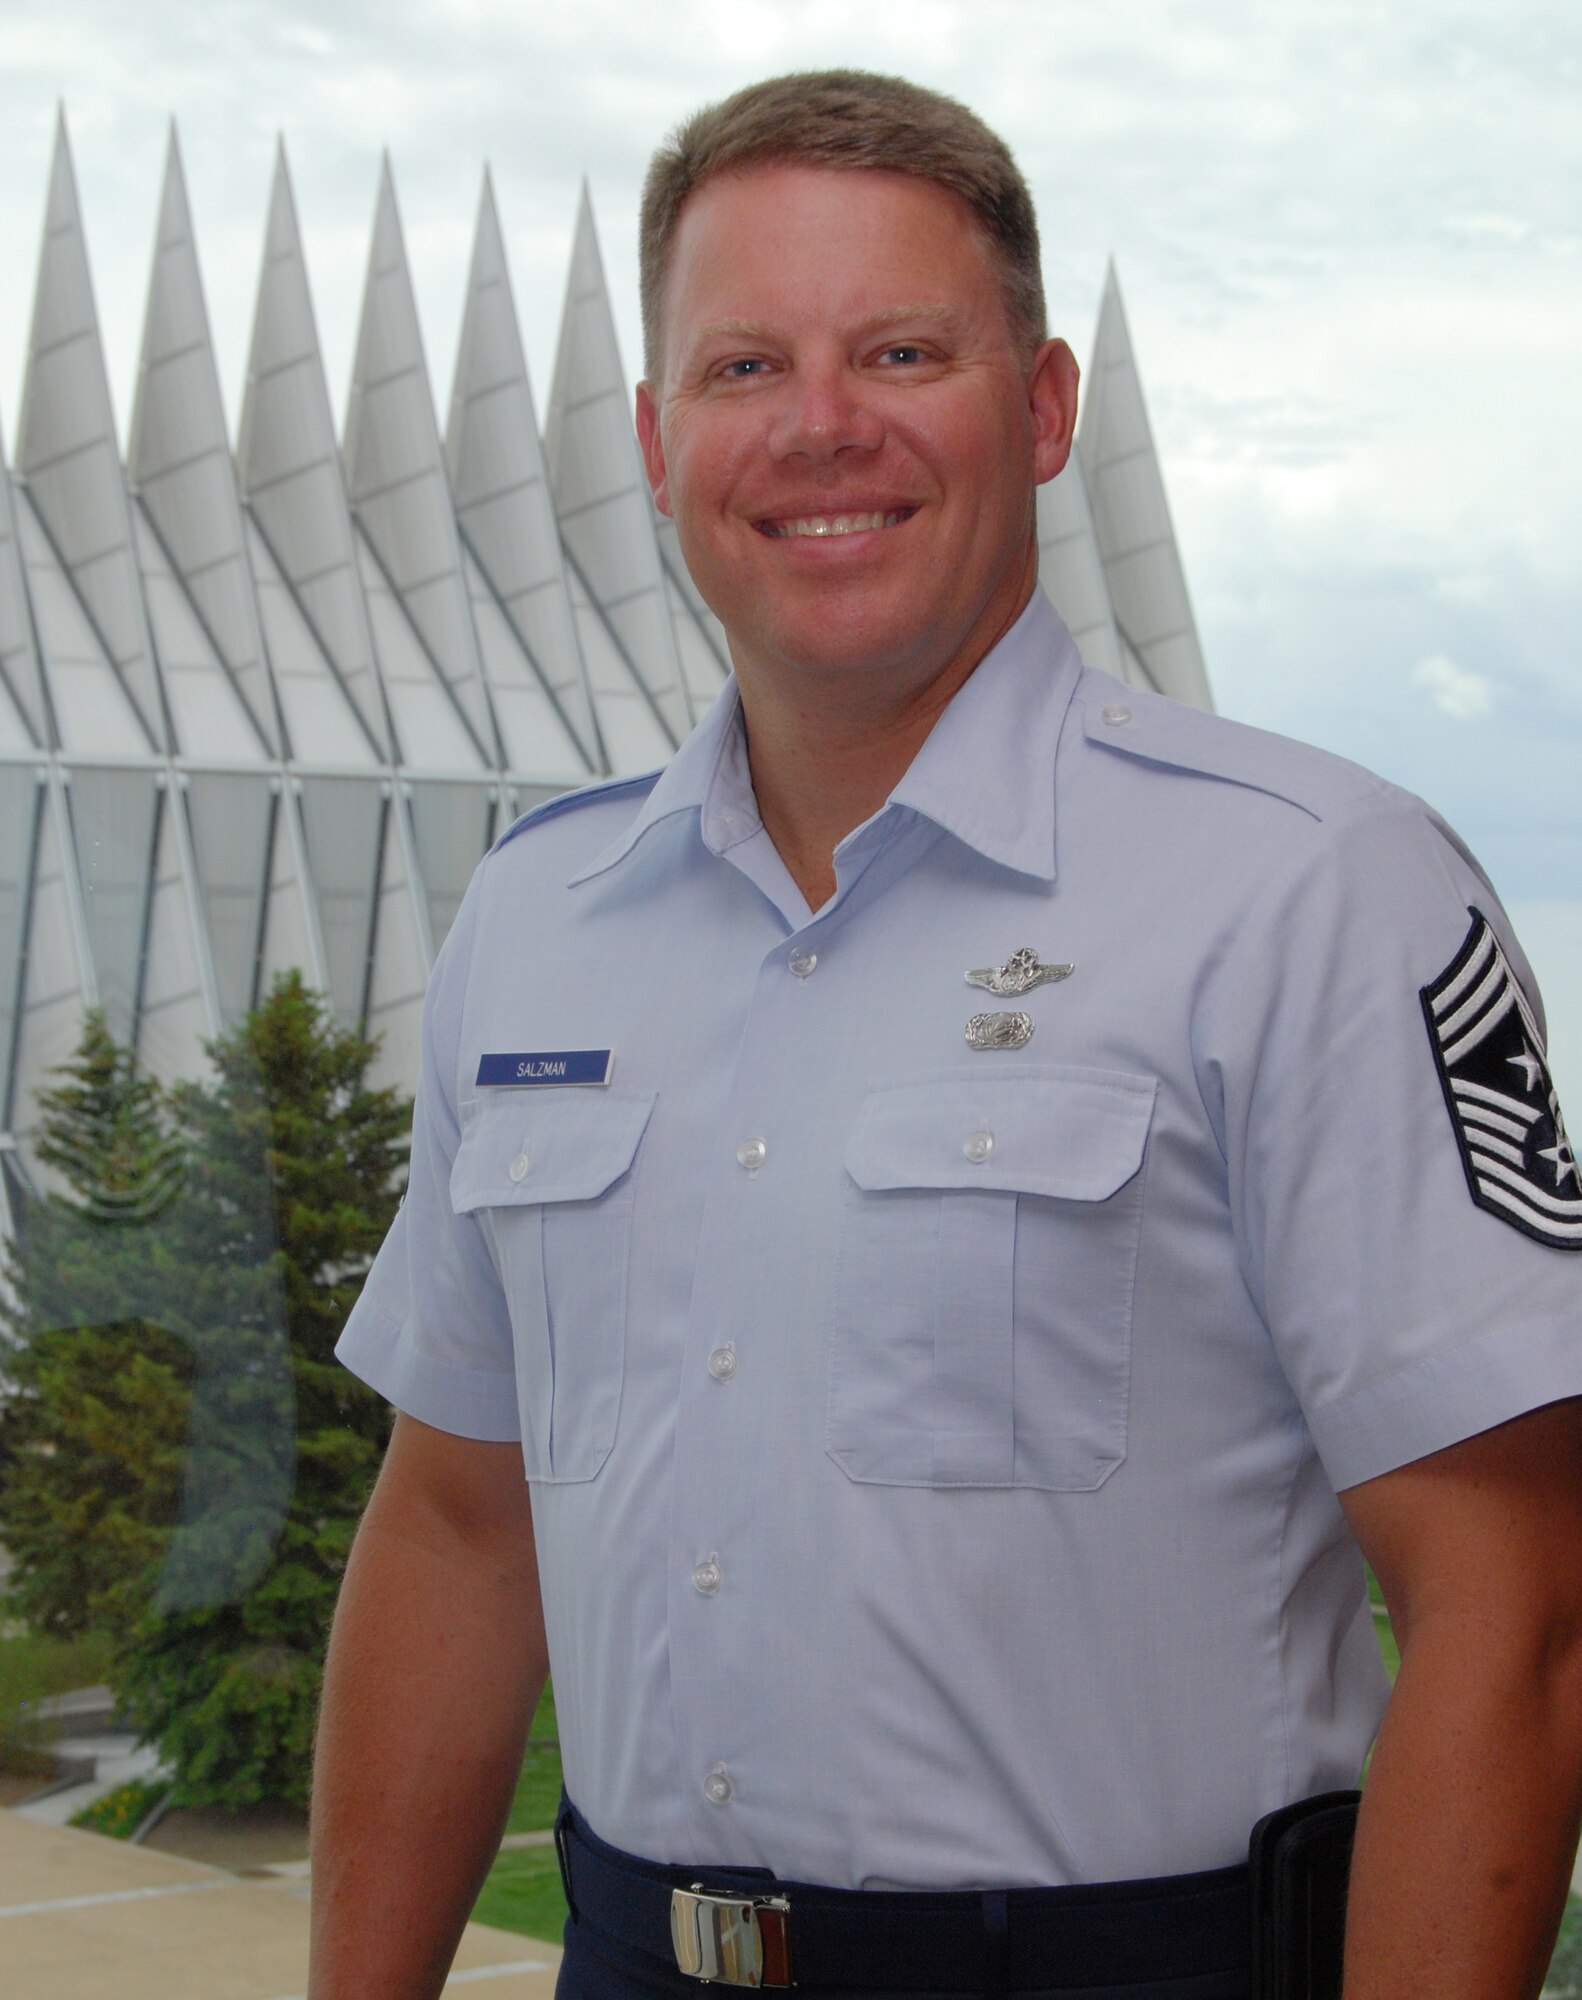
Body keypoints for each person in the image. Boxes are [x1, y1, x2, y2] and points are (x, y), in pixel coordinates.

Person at [310, 69, 1582, 2000]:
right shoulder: (535, 925)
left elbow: (1518, 1605)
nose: (820, 427)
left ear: (1045, 406)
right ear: (658, 443)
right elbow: (458, 1533)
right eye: (744, 368)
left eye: (899, 349)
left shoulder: (1315, 889)